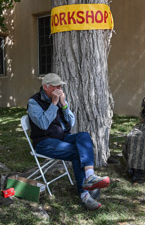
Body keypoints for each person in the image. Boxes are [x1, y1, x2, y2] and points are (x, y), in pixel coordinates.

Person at [27, 73, 110, 211]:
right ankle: (85, 195)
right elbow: (43, 124)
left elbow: (71, 123)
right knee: (77, 152)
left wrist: (63, 104)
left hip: (62, 137)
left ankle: (90, 176)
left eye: (60, 85)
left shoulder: (60, 99)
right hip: (44, 141)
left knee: (84, 136)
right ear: (45, 87)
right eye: (56, 86)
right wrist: (54, 104)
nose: (60, 88)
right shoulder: (34, 102)